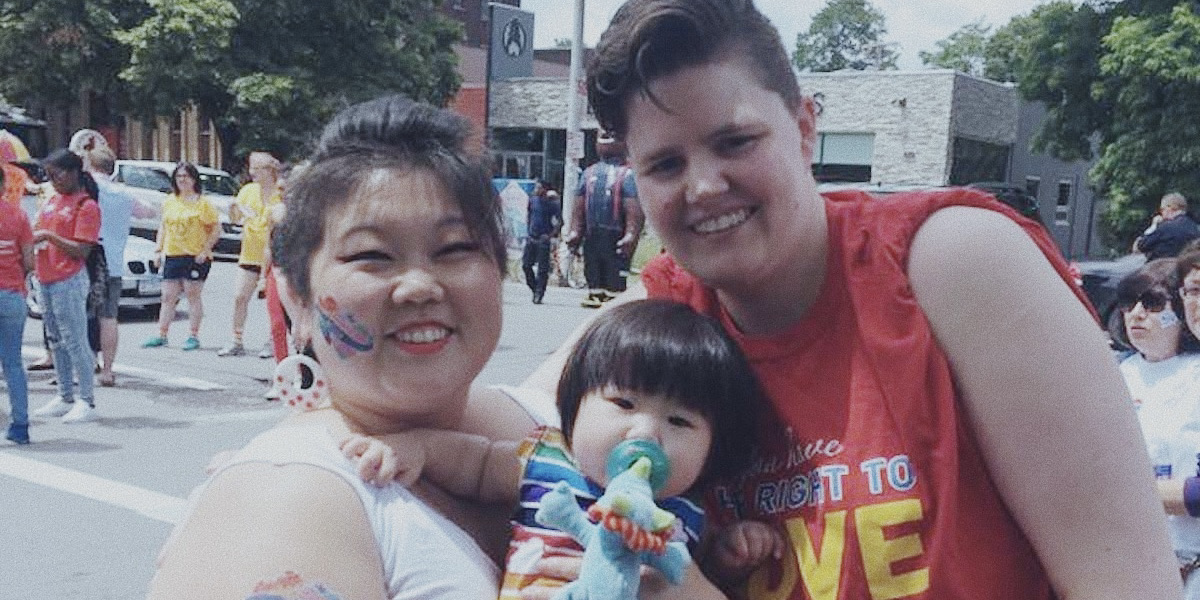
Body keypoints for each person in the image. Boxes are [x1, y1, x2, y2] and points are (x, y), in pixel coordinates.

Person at [512, 1, 1182, 598]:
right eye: (665, 165)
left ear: (806, 129)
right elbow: (512, 420)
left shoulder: (953, 263)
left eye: (735, 141)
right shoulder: (665, 316)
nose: (705, 185)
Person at [148, 95, 538, 599]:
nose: (419, 286)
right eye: (371, 255)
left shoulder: (562, 415)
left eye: (457, 248)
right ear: (297, 298)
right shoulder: (285, 498)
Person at [340, 299, 782, 598]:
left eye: (680, 421)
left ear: (712, 450)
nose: (645, 432)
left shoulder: (684, 511)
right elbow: (473, 464)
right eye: (623, 403)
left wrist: (730, 554)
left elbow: (698, 577)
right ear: (574, 404)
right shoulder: (547, 460)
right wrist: (415, 449)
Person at [1112, 258, 1200, 598]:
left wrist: (1125, 492)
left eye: (1151, 303)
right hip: (1127, 562)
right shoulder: (1113, 374)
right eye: (1127, 302)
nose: (1136, 313)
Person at [28, 149, 101, 424]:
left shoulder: (86, 206)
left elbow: (82, 250)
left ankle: (86, 399)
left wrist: (49, 236)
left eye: (56, 175)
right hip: (46, 276)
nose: (53, 180)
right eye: (48, 176)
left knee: (75, 340)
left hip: (68, 278)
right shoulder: (53, 200)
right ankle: (64, 394)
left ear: (73, 173)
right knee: (56, 339)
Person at [141, 162, 219, 351]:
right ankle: (162, 334)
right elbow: (164, 227)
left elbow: (216, 229)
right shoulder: (170, 201)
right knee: (168, 296)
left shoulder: (203, 203)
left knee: (192, 295)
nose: (182, 180)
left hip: (195, 255)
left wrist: (205, 249)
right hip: (173, 253)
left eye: (186, 176)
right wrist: (158, 250)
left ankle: (193, 335)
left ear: (194, 179)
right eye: (179, 177)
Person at [565, 133, 643, 308]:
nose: (607, 139)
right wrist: (575, 231)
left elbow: (633, 209)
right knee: (592, 262)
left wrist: (631, 234)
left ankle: (614, 294)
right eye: (604, 135)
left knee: (614, 264)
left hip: (616, 232)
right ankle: (595, 291)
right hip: (592, 233)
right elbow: (578, 207)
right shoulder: (588, 173)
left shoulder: (628, 175)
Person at [217, 151, 283, 357]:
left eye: (257, 168)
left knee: (273, 303)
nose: (252, 172)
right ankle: (236, 339)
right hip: (250, 253)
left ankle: (272, 341)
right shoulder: (248, 191)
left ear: (270, 170)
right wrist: (233, 208)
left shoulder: (280, 193)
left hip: (274, 255)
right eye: (251, 167)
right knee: (239, 296)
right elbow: (236, 219)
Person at [82, 144, 133, 387]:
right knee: (109, 317)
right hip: (114, 261)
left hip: (89, 260)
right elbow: (145, 212)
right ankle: (109, 370)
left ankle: (88, 361)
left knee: (83, 314)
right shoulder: (123, 192)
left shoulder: (88, 190)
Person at [1, 166, 34, 443]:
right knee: (13, 363)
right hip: (12, 294)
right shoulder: (19, 215)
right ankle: (20, 426)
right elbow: (30, 261)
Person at [522, 180, 562, 304]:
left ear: (545, 189)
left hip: (543, 239)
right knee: (526, 265)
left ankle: (539, 293)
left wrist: (550, 235)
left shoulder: (552, 203)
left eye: (539, 187)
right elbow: (529, 214)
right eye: (536, 187)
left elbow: (560, 221)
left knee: (542, 269)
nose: (536, 189)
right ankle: (534, 288)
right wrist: (528, 230)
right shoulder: (533, 200)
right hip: (531, 237)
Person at [1135, 192, 1200, 261]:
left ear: (1169, 208)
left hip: (1162, 269)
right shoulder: (1195, 228)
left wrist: (1153, 226)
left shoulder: (1165, 227)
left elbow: (1139, 247)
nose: (1161, 213)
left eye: (1162, 209)